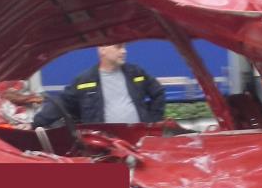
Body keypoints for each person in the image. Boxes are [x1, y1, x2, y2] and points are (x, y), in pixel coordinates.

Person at [33, 42, 168, 127]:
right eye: (118, 47)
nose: (124, 51)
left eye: (124, 47)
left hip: (139, 140)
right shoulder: (84, 80)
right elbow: (62, 103)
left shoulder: (136, 73)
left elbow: (158, 92)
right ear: (102, 49)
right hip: (106, 146)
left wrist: (152, 122)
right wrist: (36, 124)